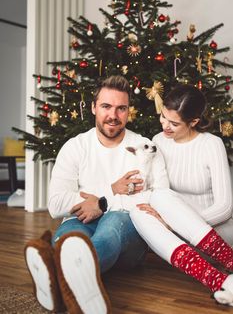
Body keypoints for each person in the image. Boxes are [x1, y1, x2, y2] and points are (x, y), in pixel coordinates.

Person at [24, 75, 163, 314]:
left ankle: (54, 280)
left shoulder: (144, 147)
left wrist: (100, 203)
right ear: (93, 107)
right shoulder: (75, 147)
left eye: (121, 108)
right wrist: (111, 190)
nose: (114, 115)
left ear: (128, 111)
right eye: (106, 106)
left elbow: (156, 199)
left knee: (112, 222)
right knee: (70, 241)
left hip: (126, 233)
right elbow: (56, 205)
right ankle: (72, 285)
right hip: (81, 220)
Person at [130, 84, 233, 306]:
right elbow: (156, 190)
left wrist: (177, 225)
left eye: (174, 123)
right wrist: (168, 221)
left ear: (194, 121)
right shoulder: (157, 142)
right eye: (163, 117)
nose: (165, 126)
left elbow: (225, 207)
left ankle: (230, 262)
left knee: (159, 197)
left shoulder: (211, 144)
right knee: (140, 209)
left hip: (215, 233)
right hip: (179, 237)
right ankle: (220, 281)